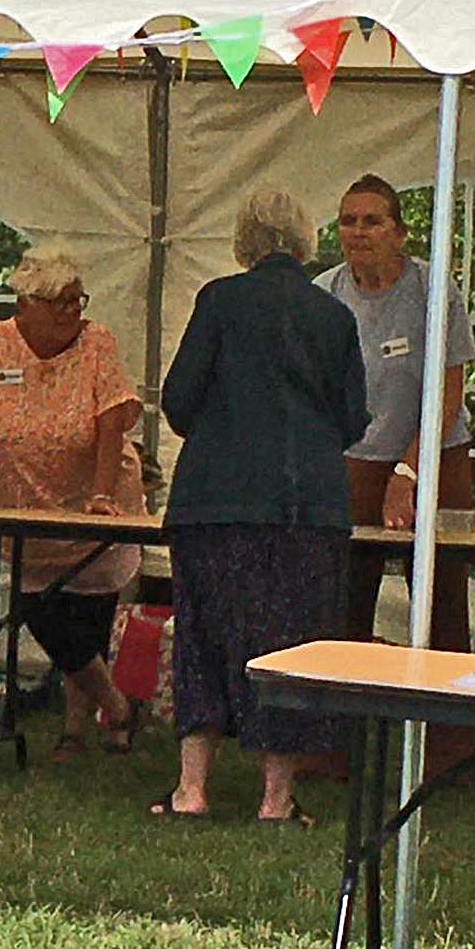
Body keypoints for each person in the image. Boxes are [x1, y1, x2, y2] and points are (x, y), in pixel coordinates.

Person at [156, 190, 369, 824]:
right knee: (289, 647)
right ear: (306, 241)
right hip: (305, 507)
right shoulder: (334, 317)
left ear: (244, 241)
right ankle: (276, 798)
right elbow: (353, 419)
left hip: (215, 503)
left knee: (202, 635)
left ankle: (192, 790)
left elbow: (179, 398)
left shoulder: (218, 301)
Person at [0, 244, 144, 760]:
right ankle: (118, 706)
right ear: (27, 304)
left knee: (86, 623)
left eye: (77, 300)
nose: (73, 311)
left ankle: (75, 730)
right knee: (41, 613)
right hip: (24, 511)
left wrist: (102, 494)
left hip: (92, 502)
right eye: (60, 302)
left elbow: (111, 422)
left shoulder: (96, 343)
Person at [316, 173, 475, 777]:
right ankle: (333, 744)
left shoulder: (435, 288)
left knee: (440, 600)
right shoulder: (324, 293)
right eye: (348, 221)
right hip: (352, 457)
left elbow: (448, 387)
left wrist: (410, 470)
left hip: (436, 453)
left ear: (400, 233)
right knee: (341, 603)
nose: (357, 233)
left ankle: (446, 752)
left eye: (371, 221)